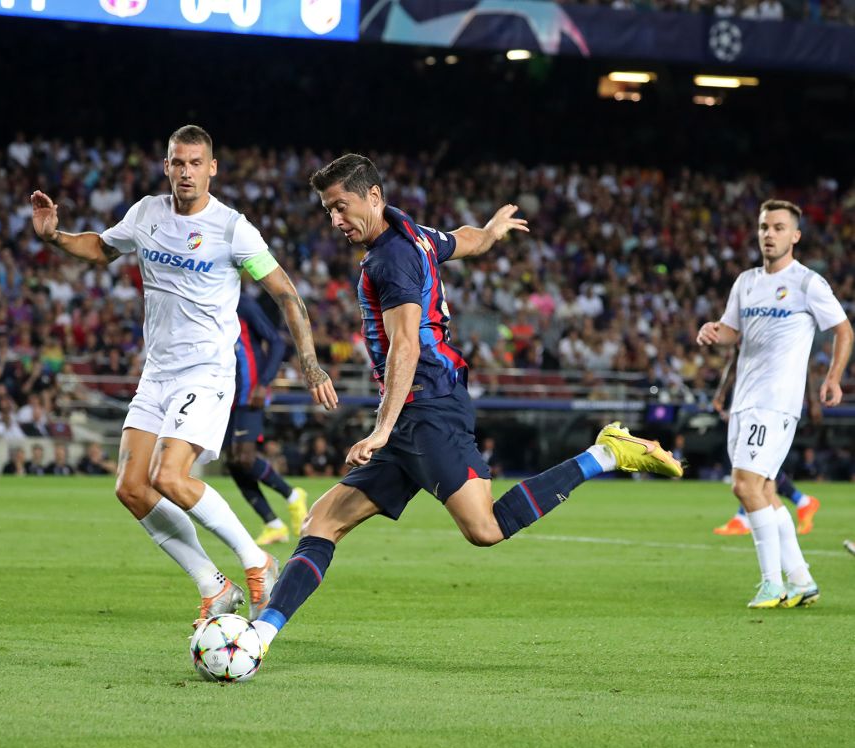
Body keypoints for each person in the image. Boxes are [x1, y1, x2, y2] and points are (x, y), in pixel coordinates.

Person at [248, 154, 682, 656]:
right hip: (412, 410)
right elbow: (463, 239)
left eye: (341, 207)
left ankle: (606, 453)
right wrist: (493, 232)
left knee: (485, 528)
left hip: (428, 408)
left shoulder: (391, 258)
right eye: (328, 210)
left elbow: (405, 346)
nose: (335, 221)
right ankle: (260, 636)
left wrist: (382, 431)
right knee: (322, 522)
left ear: (373, 196)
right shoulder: (413, 232)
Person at [31, 124, 337, 625]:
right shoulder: (147, 213)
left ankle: (257, 557)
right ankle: (212, 586)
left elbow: (286, 293)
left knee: (168, 476)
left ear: (212, 168)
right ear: (167, 165)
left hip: (207, 372)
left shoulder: (233, 228)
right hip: (158, 373)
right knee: (131, 487)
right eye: (178, 162)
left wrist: (308, 361)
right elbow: (101, 248)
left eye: (196, 163)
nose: (186, 172)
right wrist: (54, 236)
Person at [697, 199, 852, 608]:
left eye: (779, 228)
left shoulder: (807, 283)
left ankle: (772, 583)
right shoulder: (746, 282)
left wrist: (834, 377)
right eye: (765, 227)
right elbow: (733, 331)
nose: (770, 234)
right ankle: (801, 580)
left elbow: (843, 330)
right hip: (745, 399)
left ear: (795, 236)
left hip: (776, 402)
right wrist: (714, 332)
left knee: (744, 485)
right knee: (764, 489)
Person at [224, 294, 309, 546]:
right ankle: (273, 524)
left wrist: (263, 383)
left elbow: (276, 342)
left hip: (250, 392)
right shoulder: (213, 299)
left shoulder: (243, 303)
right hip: (223, 393)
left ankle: (292, 495)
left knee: (244, 457)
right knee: (232, 460)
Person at [711, 344, 820, 535]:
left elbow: (804, 360)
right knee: (757, 467)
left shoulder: (786, 326)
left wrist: (812, 399)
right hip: (751, 402)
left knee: (755, 466)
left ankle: (745, 518)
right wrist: (723, 393)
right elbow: (737, 357)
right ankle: (801, 502)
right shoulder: (752, 323)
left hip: (775, 405)